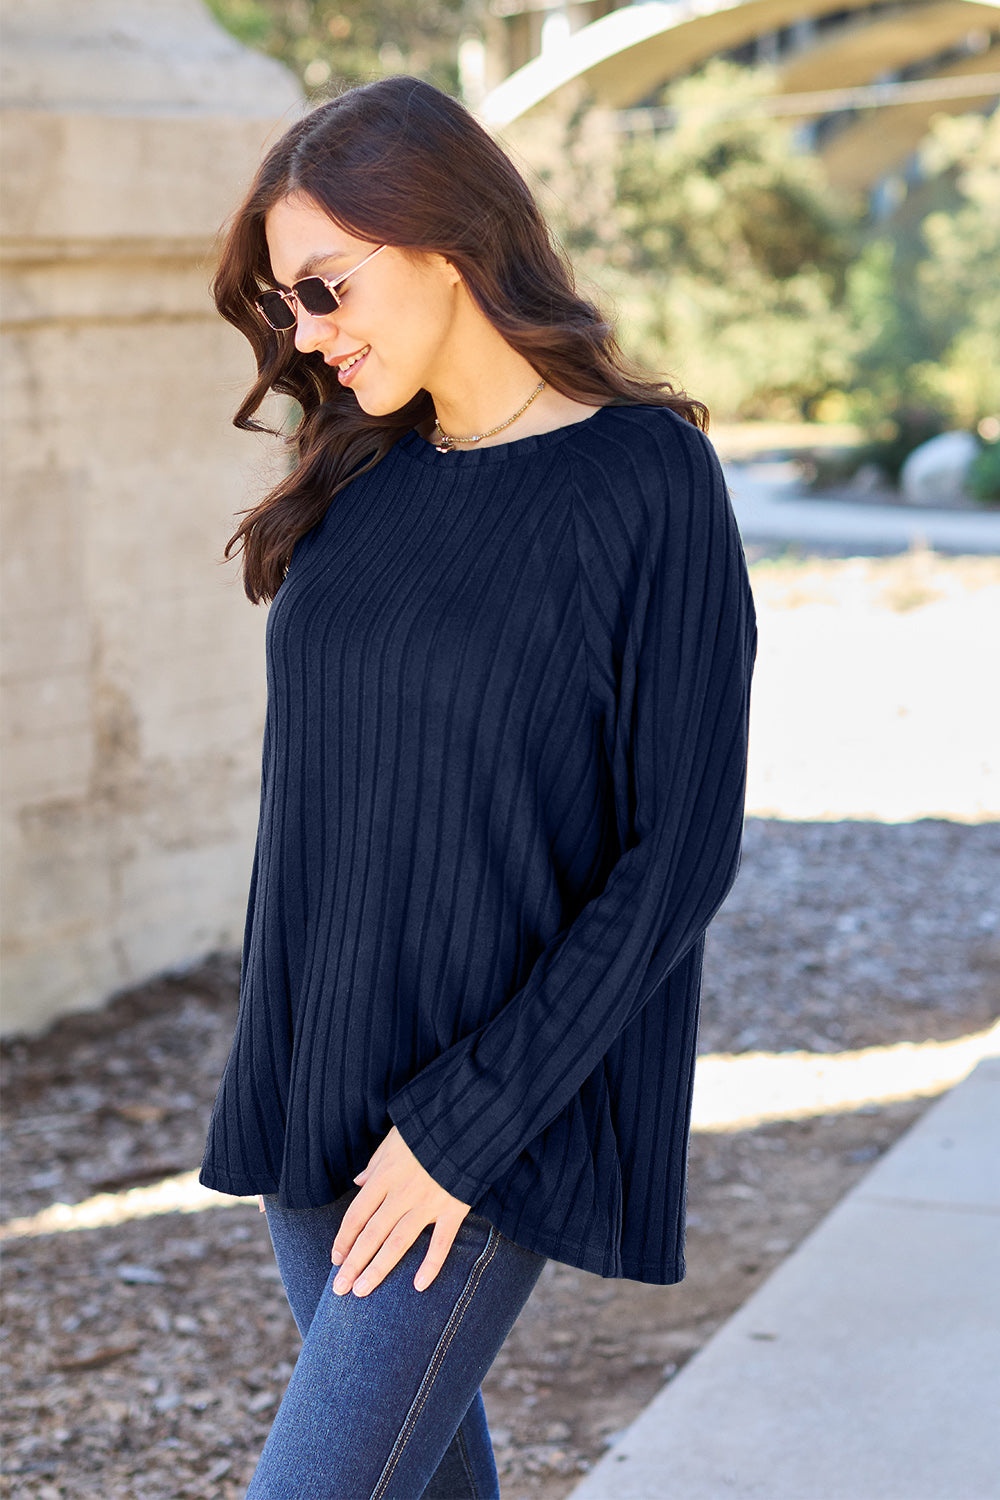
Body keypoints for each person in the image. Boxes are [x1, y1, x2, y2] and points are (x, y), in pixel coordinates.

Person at [198, 73, 757, 1500]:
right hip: (312, 1095)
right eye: (290, 311)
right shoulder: (362, 470)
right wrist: (278, 1063)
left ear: (441, 236)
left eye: (325, 290)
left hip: (485, 1119)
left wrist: (459, 1132)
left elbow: (677, 855)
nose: (309, 338)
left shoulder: (649, 481)